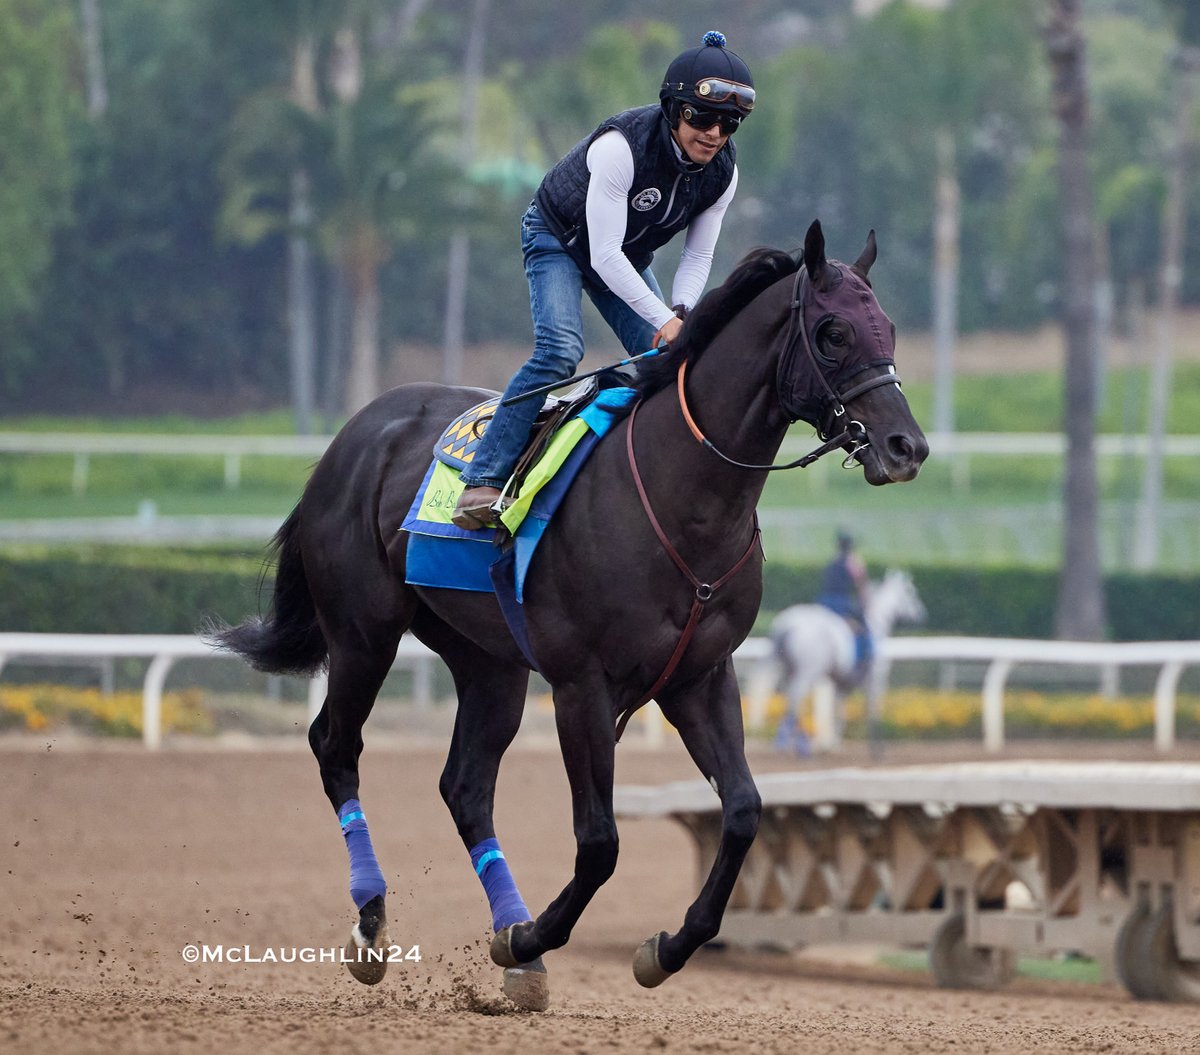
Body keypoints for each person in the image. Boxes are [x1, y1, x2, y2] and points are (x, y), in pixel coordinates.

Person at [451, 30, 755, 530]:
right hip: (559, 239)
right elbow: (603, 256)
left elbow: (698, 253)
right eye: (701, 118)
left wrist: (678, 315)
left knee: (672, 360)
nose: (714, 134)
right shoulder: (621, 147)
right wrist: (664, 319)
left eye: (728, 123)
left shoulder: (724, 171)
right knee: (559, 350)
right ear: (674, 109)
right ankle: (483, 478)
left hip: (624, 254)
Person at [817, 530, 875, 668]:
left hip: (824, 601)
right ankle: (863, 658)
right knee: (864, 628)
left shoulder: (832, 561)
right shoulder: (853, 563)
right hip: (842, 603)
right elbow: (861, 587)